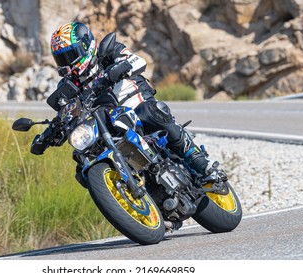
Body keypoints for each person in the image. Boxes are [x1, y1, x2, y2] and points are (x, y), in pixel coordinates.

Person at [50, 21, 219, 178]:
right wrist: (52, 131)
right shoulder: (67, 85)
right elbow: (65, 111)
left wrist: (116, 70)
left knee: (150, 111)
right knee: (81, 161)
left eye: (71, 55)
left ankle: (194, 156)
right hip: (106, 120)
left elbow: (138, 61)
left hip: (135, 102)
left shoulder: (107, 53)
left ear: (86, 45)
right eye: (62, 58)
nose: (68, 63)